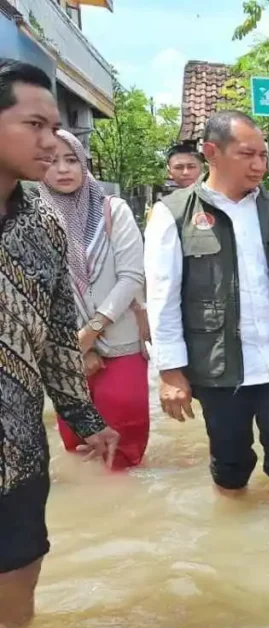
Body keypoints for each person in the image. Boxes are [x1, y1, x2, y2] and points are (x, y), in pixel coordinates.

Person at [144, 110, 269, 499]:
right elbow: (162, 297)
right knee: (230, 465)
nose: (259, 165)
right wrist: (170, 372)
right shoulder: (173, 213)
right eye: (247, 154)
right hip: (217, 366)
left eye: (262, 155)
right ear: (212, 152)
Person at [0, 59, 118, 628]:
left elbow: (55, 337)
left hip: (20, 444)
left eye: (54, 127)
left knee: (20, 573)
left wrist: (84, 417)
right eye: (35, 125)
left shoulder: (44, 226)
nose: (51, 142)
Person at [41, 130, 149, 470]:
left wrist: (93, 330)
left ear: (83, 164)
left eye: (71, 160)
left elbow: (131, 276)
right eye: (52, 161)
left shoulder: (113, 210)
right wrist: (75, 346)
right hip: (63, 349)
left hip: (120, 340)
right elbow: (37, 290)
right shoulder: (33, 218)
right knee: (77, 444)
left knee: (125, 442)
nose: (63, 169)